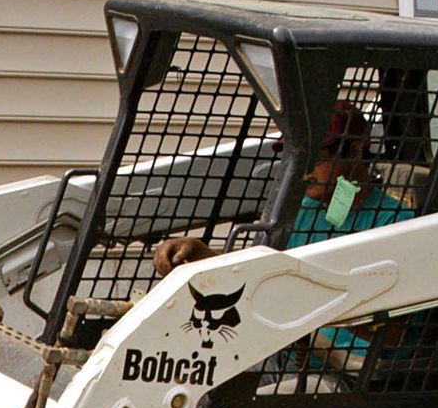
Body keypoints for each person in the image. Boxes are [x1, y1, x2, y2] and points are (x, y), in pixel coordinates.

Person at [151, 100, 414, 277]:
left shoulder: (394, 222)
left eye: (316, 158)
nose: (303, 170)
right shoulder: (301, 212)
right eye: (298, 159)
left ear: (355, 151)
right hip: (290, 355)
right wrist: (200, 253)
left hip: (358, 358)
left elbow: (392, 330)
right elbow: (256, 274)